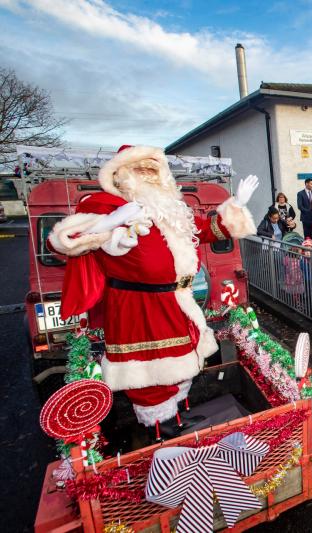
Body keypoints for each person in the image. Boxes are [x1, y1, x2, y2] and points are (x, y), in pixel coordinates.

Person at [48, 145, 258, 429]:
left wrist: (235, 203)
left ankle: (178, 418)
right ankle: (158, 429)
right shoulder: (103, 205)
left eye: (153, 168)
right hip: (138, 307)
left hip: (176, 302)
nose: (148, 174)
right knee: (149, 378)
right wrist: (110, 224)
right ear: (121, 174)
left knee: (181, 367)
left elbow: (206, 230)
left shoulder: (170, 210)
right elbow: (63, 242)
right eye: (140, 168)